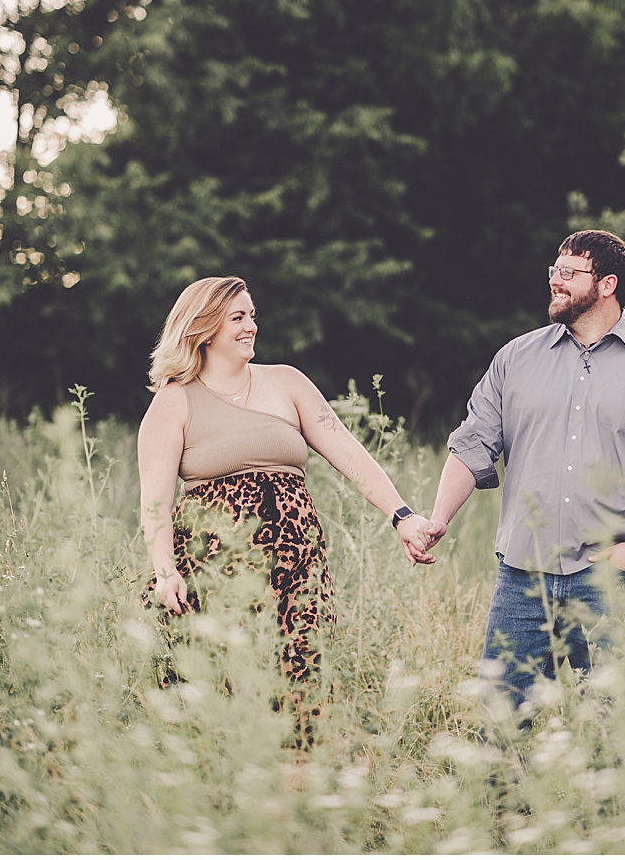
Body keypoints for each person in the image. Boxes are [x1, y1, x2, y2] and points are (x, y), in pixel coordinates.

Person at [420, 230, 625, 710]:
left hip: (611, 583)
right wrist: (438, 520)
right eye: (554, 271)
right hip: (521, 580)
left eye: (568, 273)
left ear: (606, 284)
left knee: (612, 736)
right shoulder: (515, 359)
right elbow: (472, 444)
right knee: (500, 727)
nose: (554, 282)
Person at [137, 275, 438, 739]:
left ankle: (297, 796)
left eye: (252, 315)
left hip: (297, 567)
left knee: (303, 688)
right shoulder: (173, 402)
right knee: (224, 692)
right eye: (237, 317)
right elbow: (154, 504)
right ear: (205, 327)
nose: (251, 326)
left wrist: (401, 515)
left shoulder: (287, 382)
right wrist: (164, 572)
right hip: (217, 573)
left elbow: (350, 453)